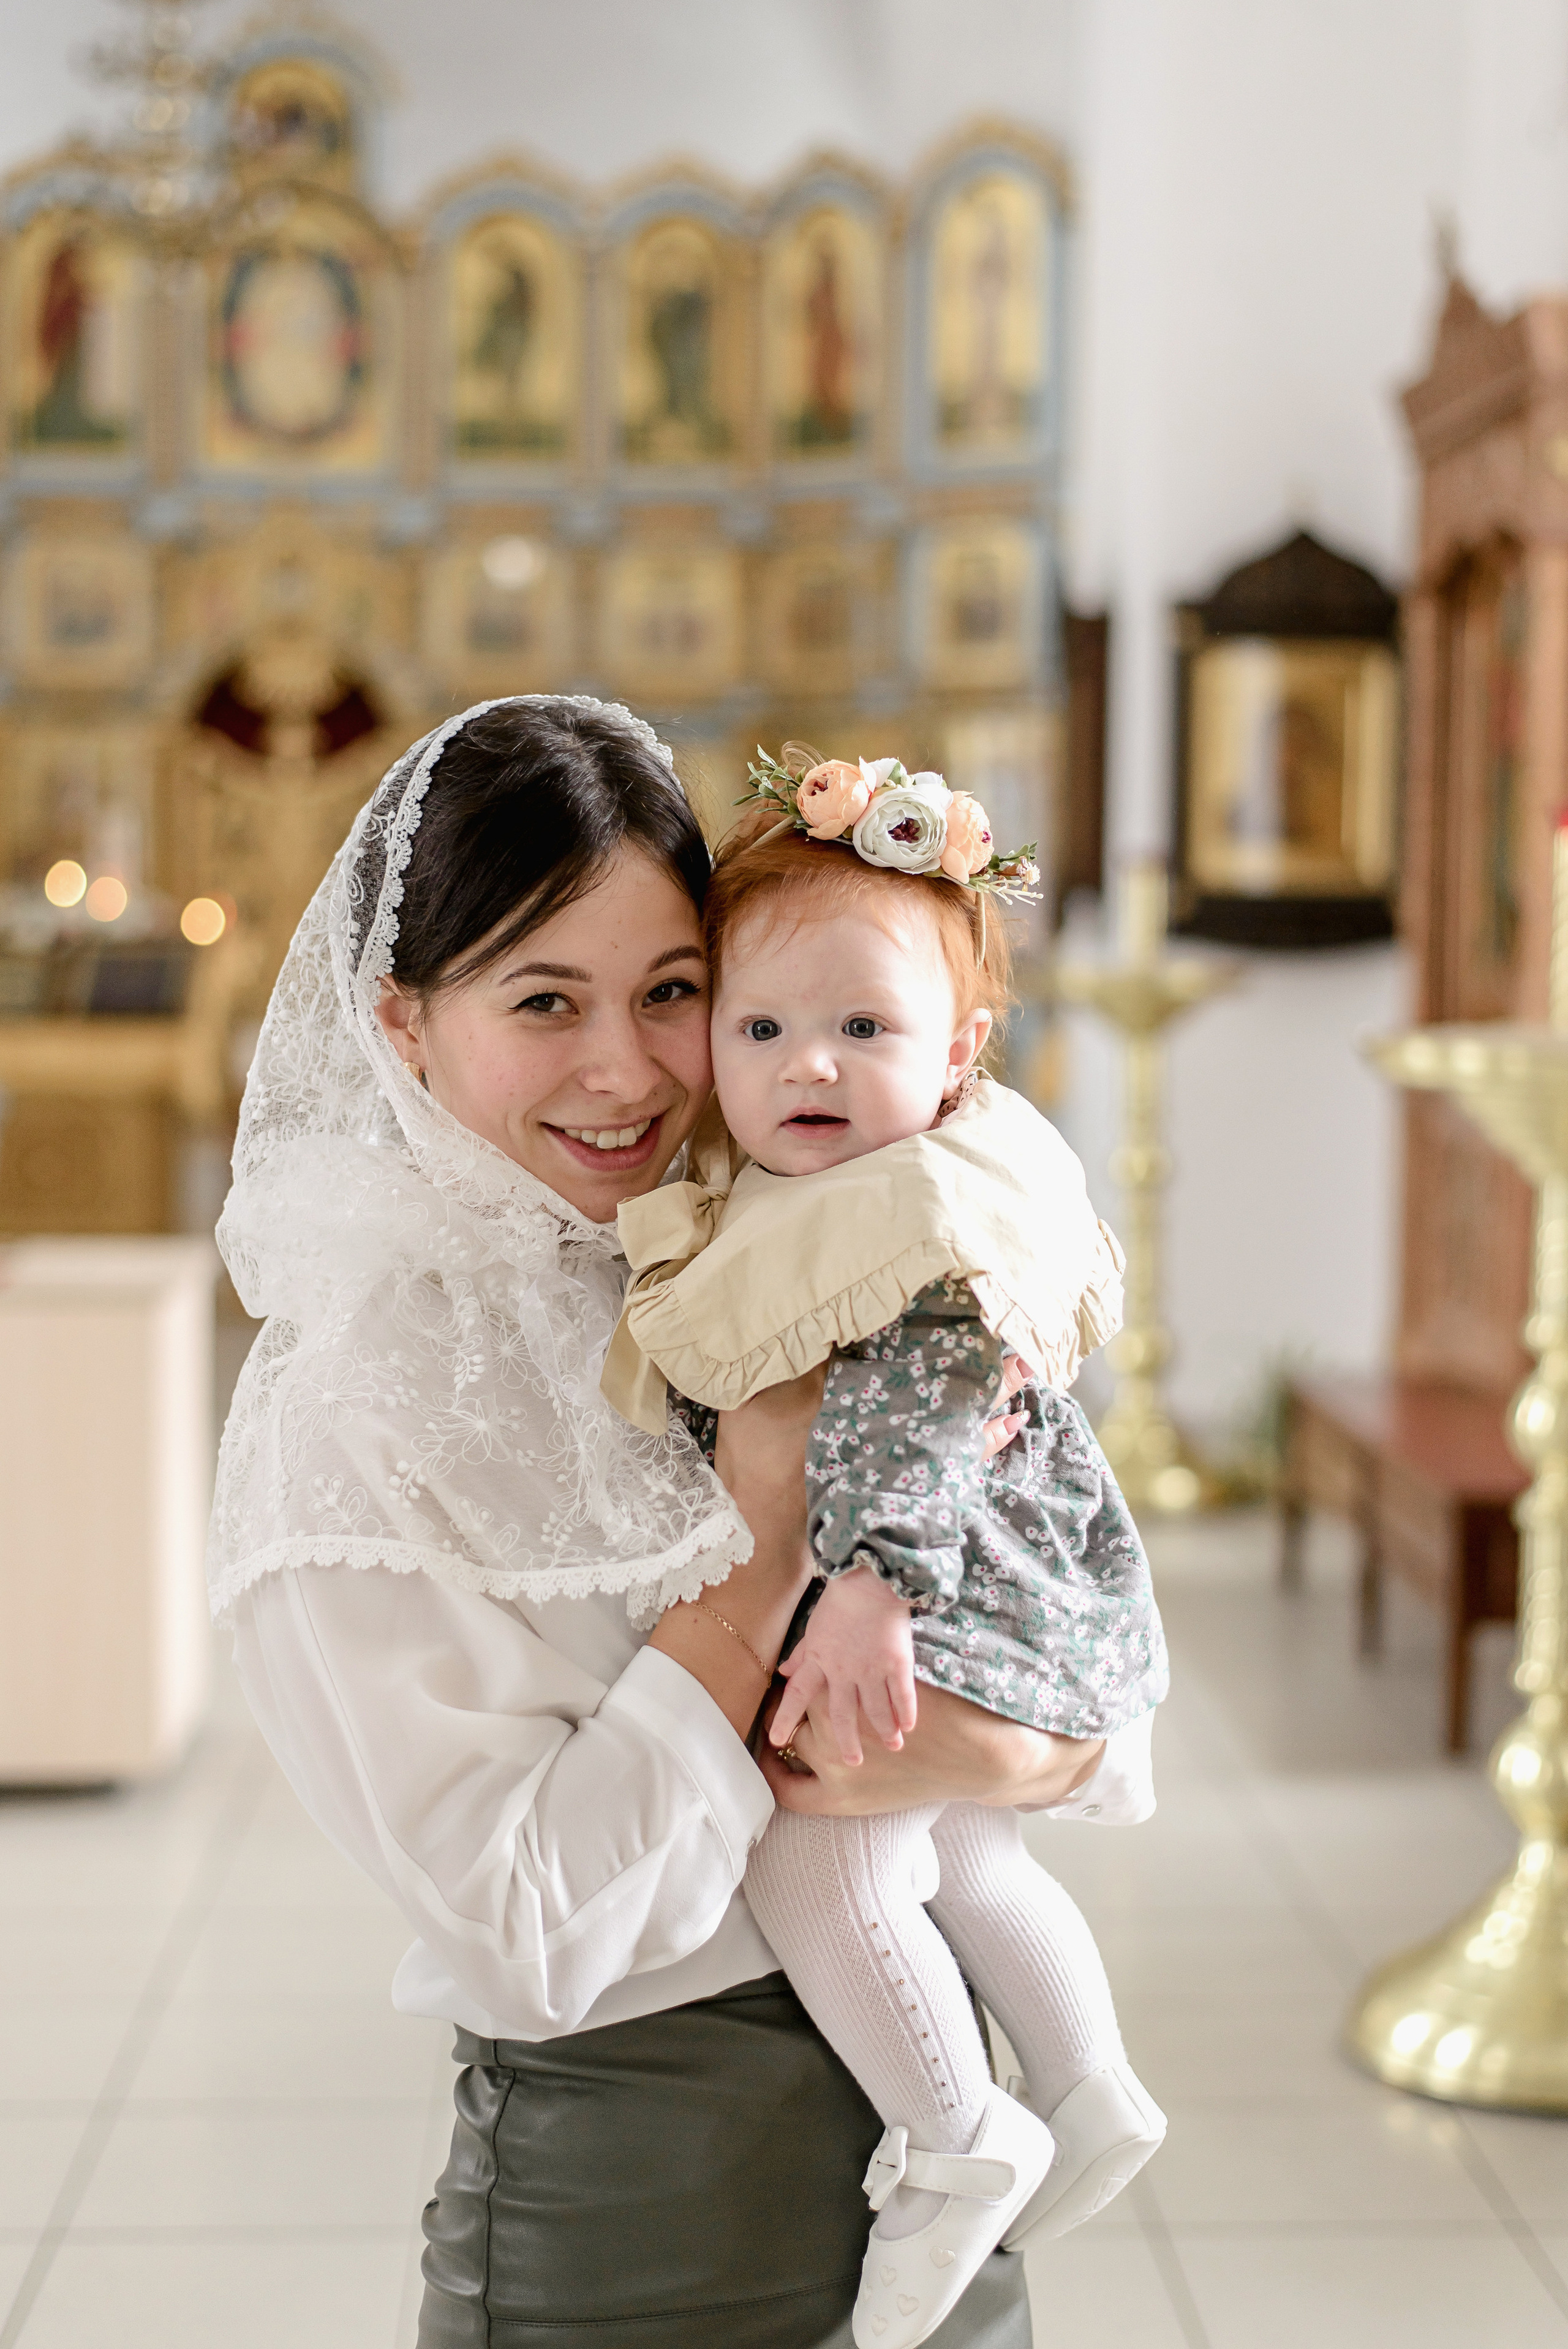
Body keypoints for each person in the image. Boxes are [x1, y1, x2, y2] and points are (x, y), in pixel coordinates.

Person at [210, 696, 1112, 2349]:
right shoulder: (352, 1399)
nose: (628, 1069)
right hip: (646, 2215)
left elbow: (1072, 1709)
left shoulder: (757, 1257)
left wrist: (1014, 1751)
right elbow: (524, 1925)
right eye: (545, 1001)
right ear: (404, 1023)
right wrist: (774, 1544)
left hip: (932, 2156)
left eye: (674, 992)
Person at [605, 751, 1169, 2349]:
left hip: (929, 1593)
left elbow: (919, 1410)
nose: (811, 1068)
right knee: (970, 1855)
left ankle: (957, 2135)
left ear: (960, 1052)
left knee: (818, 1843)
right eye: (764, 1028)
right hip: (952, 1596)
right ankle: (1094, 2076)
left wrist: (866, 1581)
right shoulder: (784, 1182)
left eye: (867, 1029)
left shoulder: (917, 1206)